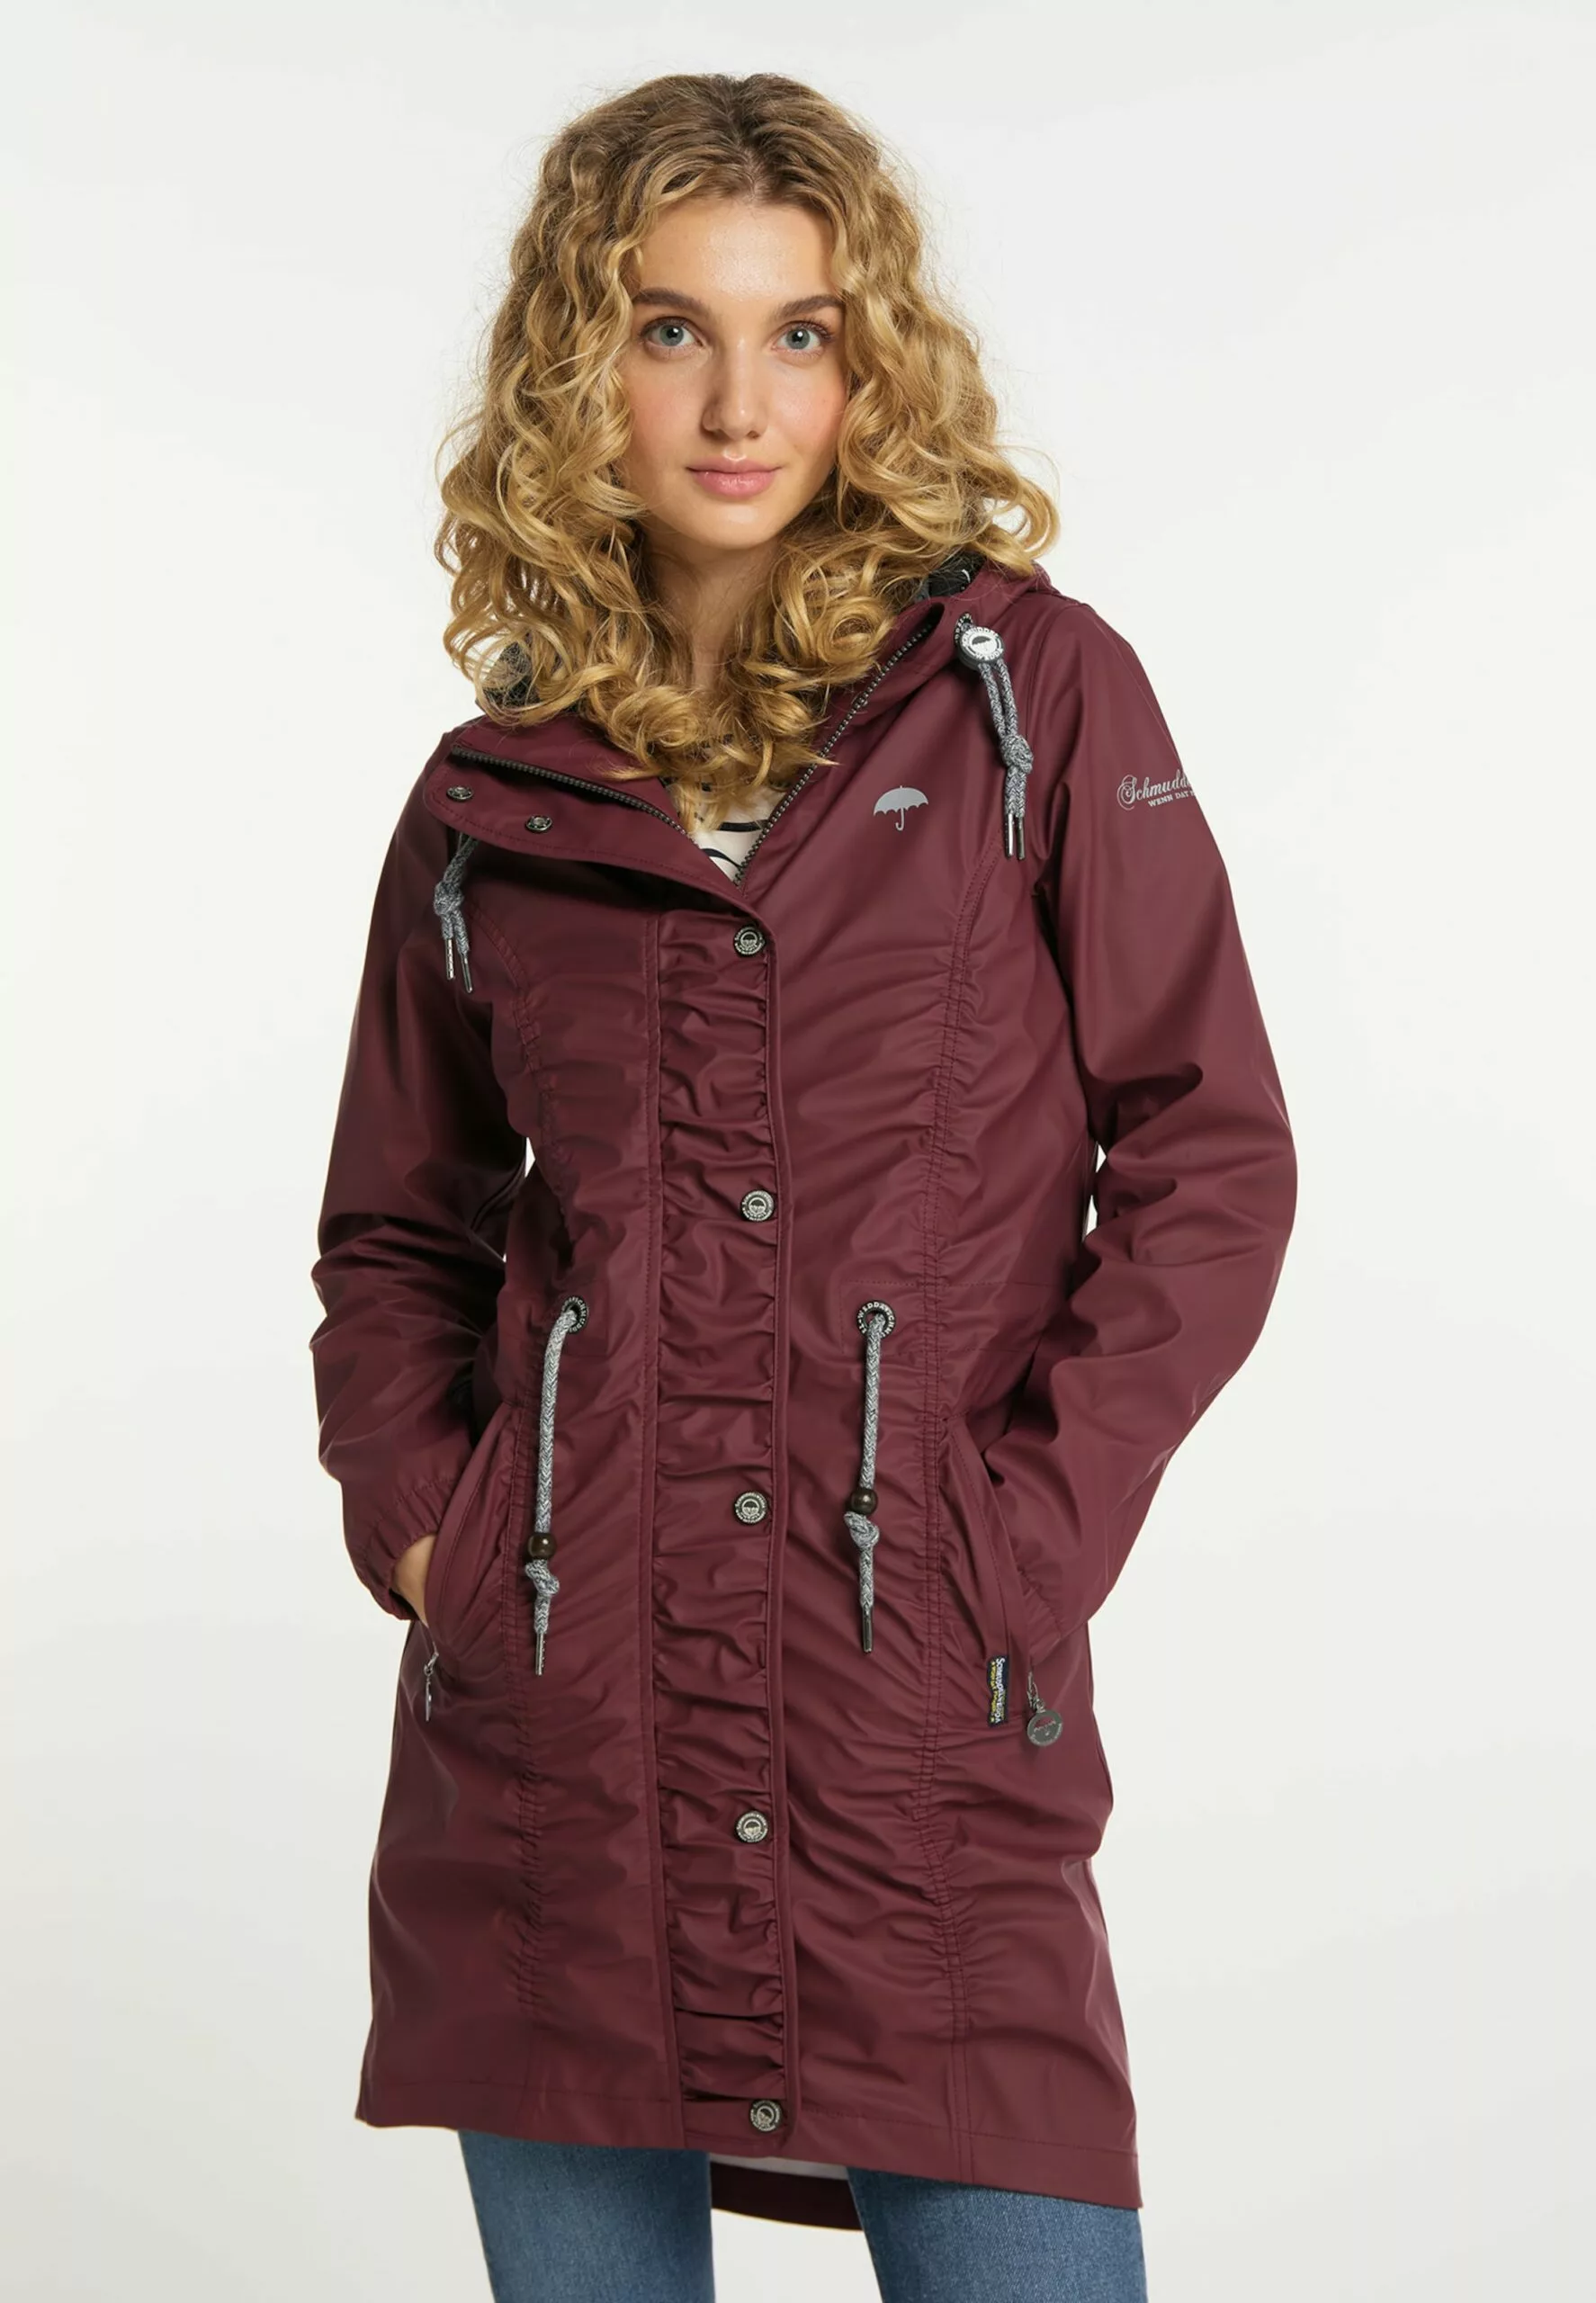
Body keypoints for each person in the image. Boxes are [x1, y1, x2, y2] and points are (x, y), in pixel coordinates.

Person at [308, 69, 1296, 2303]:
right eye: (671, 329)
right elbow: (395, 1224)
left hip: (911, 1721)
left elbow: (1207, 1147)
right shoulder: (490, 789)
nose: (738, 403)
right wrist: (433, 1531)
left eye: (800, 333)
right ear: (581, 365)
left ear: (871, 364)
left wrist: (1022, 1532)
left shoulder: (1027, 694)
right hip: (557, 1747)